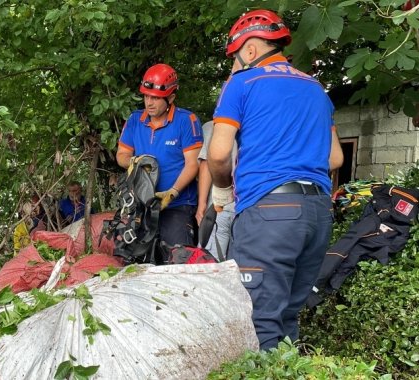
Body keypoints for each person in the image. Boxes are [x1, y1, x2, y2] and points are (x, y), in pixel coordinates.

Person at [208, 9, 344, 350]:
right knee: (287, 317)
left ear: (250, 50)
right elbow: (336, 158)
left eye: (236, 57)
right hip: (317, 213)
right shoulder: (316, 90)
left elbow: (220, 153)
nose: (236, 64)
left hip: (269, 212)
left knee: (258, 319)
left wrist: (223, 190)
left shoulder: (242, 83)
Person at [116, 63, 203, 250]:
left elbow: (192, 164)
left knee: (177, 258)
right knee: (135, 261)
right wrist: (133, 162)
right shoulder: (134, 120)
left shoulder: (187, 121)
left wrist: (172, 192)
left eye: (155, 98)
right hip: (143, 205)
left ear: (171, 97)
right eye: (146, 96)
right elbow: (121, 155)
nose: (149, 103)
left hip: (178, 204)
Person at [195, 120, 236, 260]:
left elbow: (206, 164)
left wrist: (202, 205)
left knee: (209, 262)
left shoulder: (213, 126)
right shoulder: (261, 123)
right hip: (251, 205)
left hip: (218, 206)